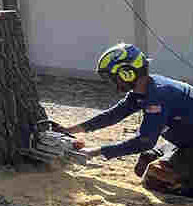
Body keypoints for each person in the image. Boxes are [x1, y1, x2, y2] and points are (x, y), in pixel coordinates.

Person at [61, 42, 193, 195]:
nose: (112, 83)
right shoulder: (146, 88)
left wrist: (95, 152)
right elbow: (114, 115)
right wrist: (68, 130)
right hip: (185, 141)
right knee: (144, 161)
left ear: (127, 73)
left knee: (154, 177)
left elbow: (145, 141)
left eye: (113, 78)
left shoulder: (158, 96)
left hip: (188, 144)